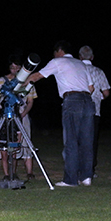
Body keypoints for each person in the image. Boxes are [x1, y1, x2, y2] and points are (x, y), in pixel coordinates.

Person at [25, 40, 95, 187]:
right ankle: (86, 177)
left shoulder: (58, 61)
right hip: (88, 101)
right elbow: (91, 88)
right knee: (87, 141)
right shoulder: (80, 63)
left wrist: (21, 84)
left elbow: (37, 76)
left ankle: (70, 180)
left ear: (59, 51)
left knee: (71, 141)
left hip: (72, 100)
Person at [0, 56, 37, 180]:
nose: (15, 70)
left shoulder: (27, 81)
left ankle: (25, 172)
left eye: (17, 67)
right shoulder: (2, 80)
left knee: (22, 142)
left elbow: (30, 101)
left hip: (20, 114)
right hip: (3, 112)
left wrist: (22, 113)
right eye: (12, 67)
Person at [79, 45, 111, 177]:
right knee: (92, 140)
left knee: (78, 139)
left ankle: (78, 168)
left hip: (78, 109)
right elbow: (106, 92)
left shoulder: (77, 70)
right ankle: (90, 170)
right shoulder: (99, 72)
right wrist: (100, 98)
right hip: (94, 110)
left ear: (80, 57)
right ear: (92, 57)